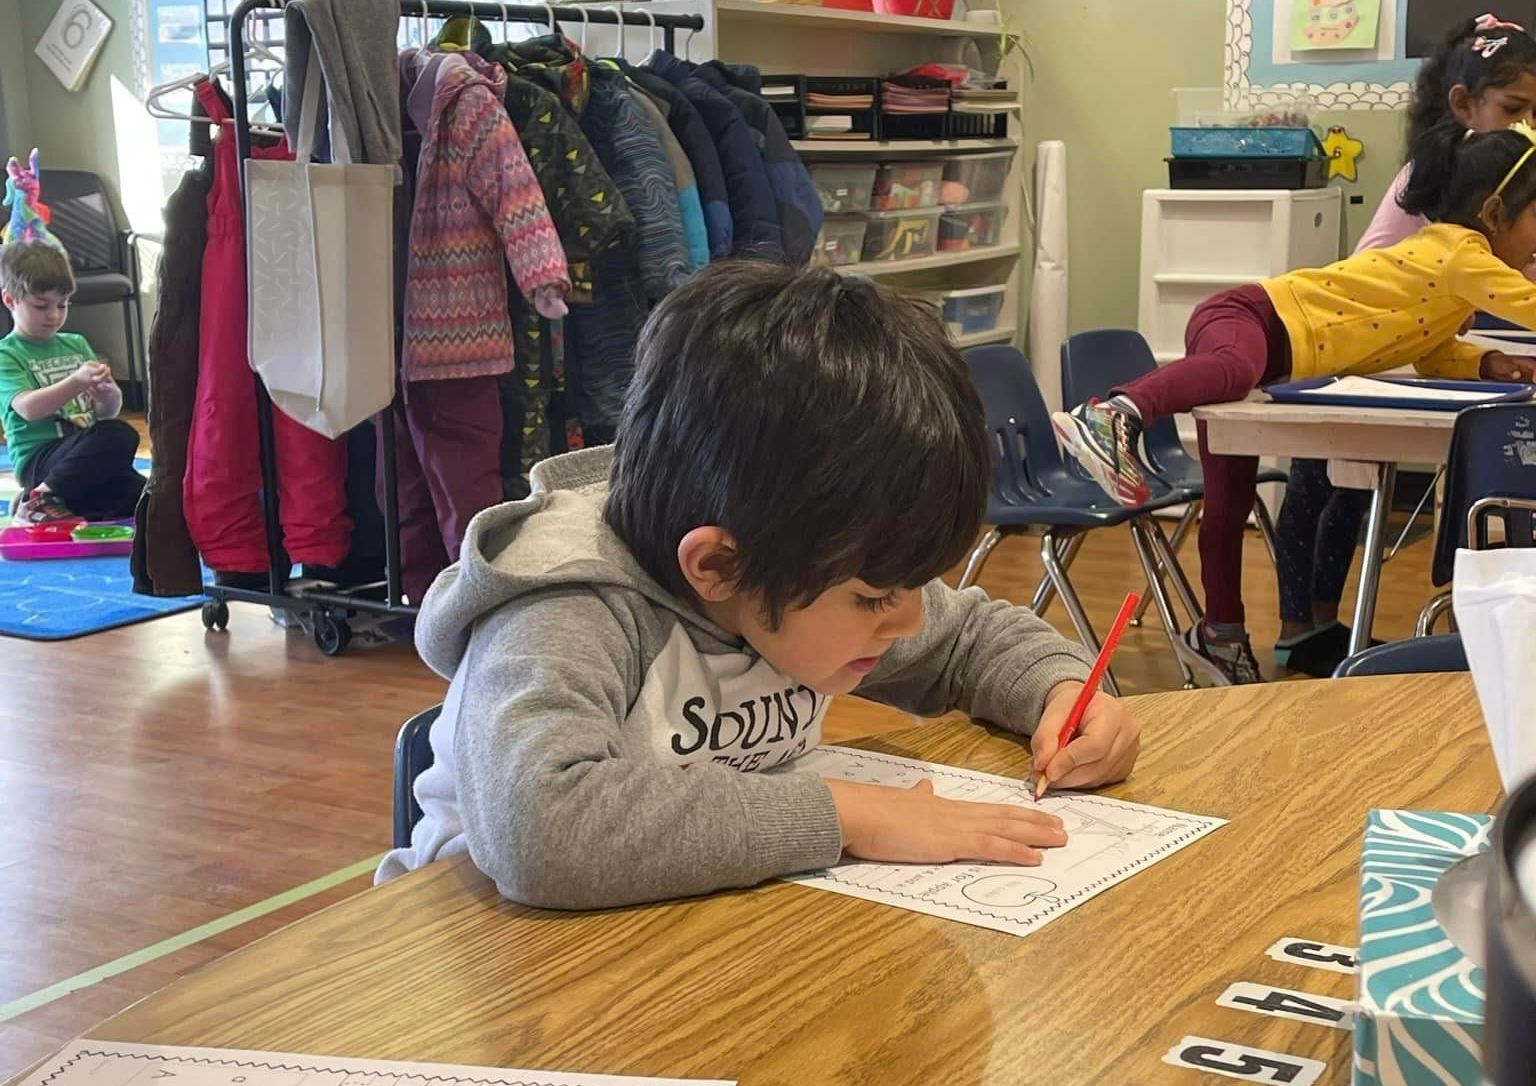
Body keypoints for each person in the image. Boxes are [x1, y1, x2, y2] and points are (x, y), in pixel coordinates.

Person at [378, 261, 1142, 909]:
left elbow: (968, 639)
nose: (907, 621)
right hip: (487, 975)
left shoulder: (797, 559)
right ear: (716, 567)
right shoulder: (567, 607)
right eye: (875, 598)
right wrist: (845, 814)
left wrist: (1062, 693)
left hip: (681, 936)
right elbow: (539, 828)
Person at [1053, 120, 1536, 685]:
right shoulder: (1462, 253)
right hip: (1249, 320)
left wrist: (1484, 363)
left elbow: (1434, 354)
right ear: (1497, 212)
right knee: (1233, 375)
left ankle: (1219, 634)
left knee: (1229, 499)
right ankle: (1114, 413)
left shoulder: (1451, 263)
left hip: (1261, 341)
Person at [1275, 12, 1536, 677]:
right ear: (1462, 103)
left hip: (1418, 350)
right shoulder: (1445, 177)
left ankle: (1327, 628)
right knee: (1321, 486)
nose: (1527, 123)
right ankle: (1300, 629)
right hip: (1352, 349)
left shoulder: (1509, 176)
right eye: (1515, 108)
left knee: (1354, 497)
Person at [0, 241, 143, 524]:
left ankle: (52, 501)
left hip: (84, 461)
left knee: (145, 496)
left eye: (62, 304)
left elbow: (104, 413)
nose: (53, 315)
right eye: (41, 305)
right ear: (10, 300)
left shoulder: (76, 344)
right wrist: (76, 381)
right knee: (118, 434)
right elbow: (29, 408)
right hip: (41, 461)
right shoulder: (7, 353)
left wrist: (109, 395)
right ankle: (38, 499)